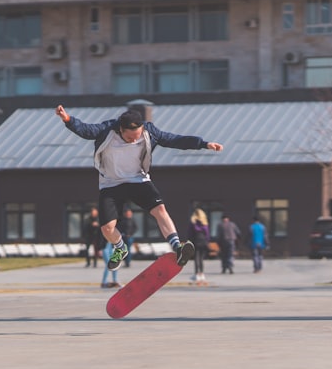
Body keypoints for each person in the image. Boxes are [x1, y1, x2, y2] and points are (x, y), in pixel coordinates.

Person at [56, 104, 223, 271]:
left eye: (137, 137)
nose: (135, 140)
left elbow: (175, 140)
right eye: (130, 138)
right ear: (121, 129)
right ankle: (120, 248)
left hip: (138, 180)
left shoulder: (149, 131)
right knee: (107, 228)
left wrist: (204, 144)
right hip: (111, 184)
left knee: (160, 210)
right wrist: (67, 119)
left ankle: (178, 248)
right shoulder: (107, 130)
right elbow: (85, 130)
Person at [186, 208, 210, 284]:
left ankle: (197, 274)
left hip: (196, 241)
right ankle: (202, 274)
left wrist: (189, 241)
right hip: (203, 242)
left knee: (196, 258)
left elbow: (190, 234)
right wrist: (207, 241)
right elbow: (207, 234)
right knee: (201, 258)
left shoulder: (193, 223)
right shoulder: (205, 224)